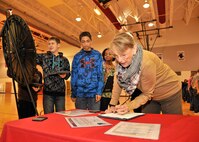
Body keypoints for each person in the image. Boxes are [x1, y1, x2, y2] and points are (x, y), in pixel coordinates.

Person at [105, 32, 182, 114]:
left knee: (172, 123)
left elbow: (147, 94)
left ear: (134, 49)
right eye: (117, 56)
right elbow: (118, 82)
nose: (120, 60)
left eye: (124, 55)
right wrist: (112, 104)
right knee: (148, 123)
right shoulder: (119, 62)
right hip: (151, 97)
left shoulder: (146, 63)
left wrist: (128, 106)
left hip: (169, 92)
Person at [36, 36, 70, 114]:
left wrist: (65, 76)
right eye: (49, 44)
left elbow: (68, 73)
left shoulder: (64, 59)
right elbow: (32, 57)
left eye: (52, 43)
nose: (50, 45)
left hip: (60, 94)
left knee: (61, 117)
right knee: (48, 117)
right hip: (48, 93)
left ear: (58, 45)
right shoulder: (43, 57)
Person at [71, 31, 104, 110]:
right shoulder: (77, 57)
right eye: (83, 41)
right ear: (81, 43)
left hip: (94, 93)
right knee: (80, 118)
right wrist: (73, 93)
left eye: (87, 41)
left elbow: (100, 74)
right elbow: (74, 75)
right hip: (80, 93)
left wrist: (99, 92)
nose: (86, 43)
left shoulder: (97, 55)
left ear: (91, 41)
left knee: (94, 119)